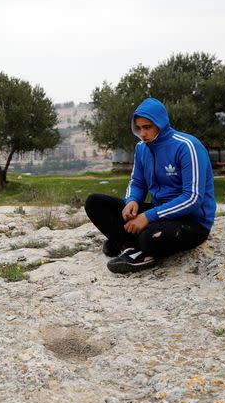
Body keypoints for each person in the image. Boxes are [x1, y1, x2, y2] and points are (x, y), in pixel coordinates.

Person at [85, 98, 215, 273]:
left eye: (147, 127)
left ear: (160, 124)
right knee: (94, 202)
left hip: (192, 222)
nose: (142, 133)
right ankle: (129, 247)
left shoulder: (187, 147)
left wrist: (147, 217)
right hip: (159, 213)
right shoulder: (141, 148)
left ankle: (138, 247)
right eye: (138, 128)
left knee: (150, 237)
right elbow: (137, 182)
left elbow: (193, 198)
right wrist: (132, 201)